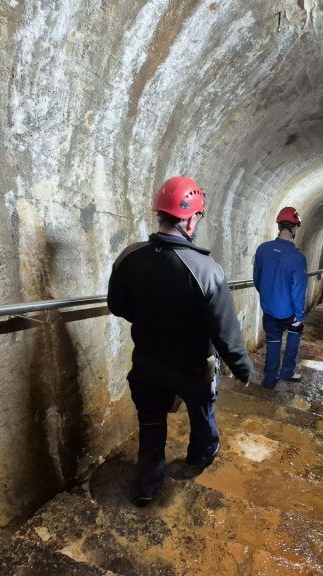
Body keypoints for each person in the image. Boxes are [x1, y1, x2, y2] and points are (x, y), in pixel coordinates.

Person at [107, 176, 252, 507]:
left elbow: (117, 305)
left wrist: (150, 320)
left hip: (147, 361)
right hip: (191, 367)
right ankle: (199, 457)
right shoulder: (206, 270)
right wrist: (243, 368)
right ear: (189, 218)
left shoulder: (130, 256)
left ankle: (147, 484)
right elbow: (225, 332)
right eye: (198, 216)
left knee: (151, 423)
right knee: (202, 412)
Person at [253, 207, 307, 389]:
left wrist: (268, 298)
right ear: (295, 228)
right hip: (289, 311)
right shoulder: (297, 258)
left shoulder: (263, 250)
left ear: (278, 225)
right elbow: (298, 290)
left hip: (269, 309)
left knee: (273, 342)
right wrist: (299, 316)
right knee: (294, 335)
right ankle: (287, 372)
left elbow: (257, 279)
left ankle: (269, 380)